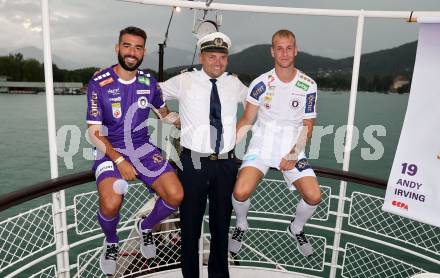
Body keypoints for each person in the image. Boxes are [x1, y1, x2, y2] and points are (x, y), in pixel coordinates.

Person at [86, 26, 184, 275]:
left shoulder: (148, 82)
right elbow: (94, 131)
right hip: (110, 148)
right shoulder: (99, 82)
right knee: (111, 202)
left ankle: (146, 227)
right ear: (117, 48)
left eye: (138, 47)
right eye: (127, 46)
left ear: (143, 52)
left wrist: (186, 120)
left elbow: (164, 115)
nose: (132, 52)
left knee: (175, 195)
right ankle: (111, 241)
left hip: (141, 147)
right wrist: (119, 160)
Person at [160, 32, 247, 278]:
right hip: (193, 162)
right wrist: (169, 117)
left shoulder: (234, 83)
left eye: (222, 57)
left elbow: (258, 103)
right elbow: (153, 93)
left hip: (225, 164)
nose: (217, 62)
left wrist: (240, 131)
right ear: (202, 57)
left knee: (221, 227)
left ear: (227, 59)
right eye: (212, 57)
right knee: (190, 227)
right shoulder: (184, 80)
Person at [228, 29, 321, 257]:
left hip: (292, 148)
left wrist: (293, 152)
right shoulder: (260, 84)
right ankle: (241, 224)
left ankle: (296, 227)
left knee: (314, 196)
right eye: (279, 48)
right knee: (240, 192)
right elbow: (247, 120)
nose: (284, 53)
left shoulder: (308, 85)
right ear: (272, 52)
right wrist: (226, 146)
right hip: (261, 146)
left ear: (296, 50)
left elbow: (308, 125)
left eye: (289, 48)